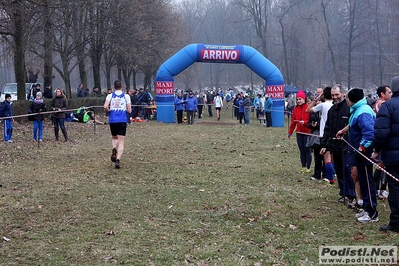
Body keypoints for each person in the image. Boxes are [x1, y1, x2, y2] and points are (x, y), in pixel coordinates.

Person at [336, 88, 378, 223]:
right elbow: (353, 124)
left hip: (363, 154)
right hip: (358, 153)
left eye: (346, 98)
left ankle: (372, 213)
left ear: (350, 99)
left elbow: (369, 133)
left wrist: (361, 149)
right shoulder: (358, 110)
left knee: (366, 182)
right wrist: (343, 130)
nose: (346, 101)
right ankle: (366, 208)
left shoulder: (364, 111)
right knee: (362, 182)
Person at [321, 85, 356, 204]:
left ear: (342, 93)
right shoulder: (332, 109)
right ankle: (344, 193)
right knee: (339, 170)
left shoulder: (349, 108)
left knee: (347, 169)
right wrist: (324, 144)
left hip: (347, 145)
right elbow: (327, 128)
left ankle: (351, 195)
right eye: (333, 95)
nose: (335, 97)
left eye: (337, 94)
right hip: (334, 146)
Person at [373, 77, 399, 232]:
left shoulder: (387, 106)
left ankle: (396, 222)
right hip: (393, 154)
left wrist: (376, 151)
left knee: (395, 188)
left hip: (393, 157)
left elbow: (381, 133)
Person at [306, 87, 335, 184]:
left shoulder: (323, 105)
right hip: (334, 134)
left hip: (323, 134)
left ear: (323, 95)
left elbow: (308, 110)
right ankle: (327, 175)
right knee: (330, 156)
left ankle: (329, 177)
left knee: (325, 156)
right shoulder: (335, 105)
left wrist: (315, 99)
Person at [103, 80, 132, 169]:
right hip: (122, 120)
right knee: (121, 141)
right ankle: (118, 159)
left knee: (114, 137)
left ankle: (114, 148)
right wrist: (124, 110)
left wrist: (109, 110)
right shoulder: (126, 96)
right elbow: (129, 110)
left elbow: (105, 106)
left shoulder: (110, 95)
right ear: (122, 86)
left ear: (114, 87)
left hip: (113, 120)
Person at [372, 85, 392, 200]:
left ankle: (380, 188)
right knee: (382, 165)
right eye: (388, 92)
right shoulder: (383, 104)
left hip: (381, 136)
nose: (391, 94)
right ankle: (378, 189)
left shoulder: (377, 104)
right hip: (382, 137)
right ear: (382, 94)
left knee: (382, 165)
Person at [288, 90, 312, 173]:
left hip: (307, 132)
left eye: (300, 99)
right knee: (301, 150)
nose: (298, 101)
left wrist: (304, 122)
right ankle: (303, 166)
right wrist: (290, 132)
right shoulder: (296, 109)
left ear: (304, 99)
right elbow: (293, 121)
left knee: (307, 150)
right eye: (297, 99)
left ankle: (308, 167)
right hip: (299, 132)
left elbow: (310, 120)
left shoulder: (308, 108)